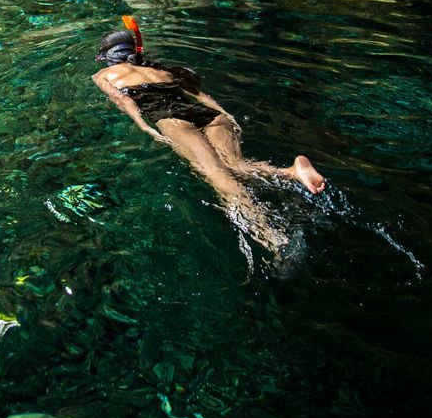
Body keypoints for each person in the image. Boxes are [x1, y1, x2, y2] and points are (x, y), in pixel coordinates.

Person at [93, 16, 325, 252]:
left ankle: (272, 238)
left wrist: (144, 126)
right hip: (211, 116)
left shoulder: (103, 75)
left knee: (215, 174)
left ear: (106, 58)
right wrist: (227, 114)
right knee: (234, 166)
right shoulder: (160, 69)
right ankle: (292, 172)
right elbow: (201, 95)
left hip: (173, 119)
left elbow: (121, 99)